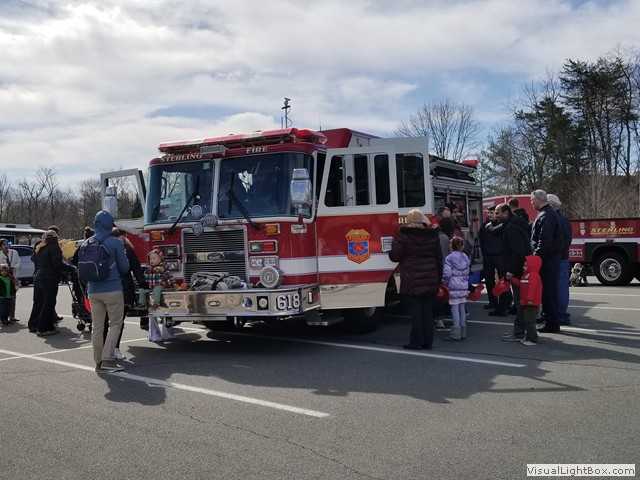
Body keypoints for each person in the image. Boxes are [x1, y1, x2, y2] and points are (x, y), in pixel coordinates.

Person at [389, 209, 443, 350]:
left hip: (411, 279)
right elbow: (439, 259)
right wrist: (438, 278)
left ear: (409, 220)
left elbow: (394, 256)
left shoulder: (405, 236)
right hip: (430, 278)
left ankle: (416, 342)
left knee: (416, 312)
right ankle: (428, 341)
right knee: (427, 311)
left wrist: (391, 246)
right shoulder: (433, 236)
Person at [84, 211, 129, 372]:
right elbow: (125, 267)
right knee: (115, 324)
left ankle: (98, 361)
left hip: (93, 289)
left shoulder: (86, 242)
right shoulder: (115, 242)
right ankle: (108, 359)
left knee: (97, 327)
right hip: (112, 289)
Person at [490, 204, 534, 342]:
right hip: (521, 268)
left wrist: (511, 270)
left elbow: (517, 252)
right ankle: (522, 331)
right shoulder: (514, 223)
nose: (495, 216)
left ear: (506, 213)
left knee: (519, 301)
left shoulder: (511, 227)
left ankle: (519, 332)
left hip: (518, 270)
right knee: (521, 301)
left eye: (497, 213)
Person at [28, 230, 76, 336]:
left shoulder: (39, 248)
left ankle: (33, 325)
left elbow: (34, 260)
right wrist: (71, 268)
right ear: (55, 238)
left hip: (38, 277)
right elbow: (57, 264)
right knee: (48, 303)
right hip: (49, 278)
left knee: (38, 302)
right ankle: (43, 328)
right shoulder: (54, 248)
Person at [111, 227, 148, 359]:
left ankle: (107, 350)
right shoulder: (127, 249)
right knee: (118, 321)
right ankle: (114, 348)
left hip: (105, 288)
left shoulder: (104, 248)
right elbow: (136, 268)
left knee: (105, 322)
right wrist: (142, 283)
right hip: (124, 288)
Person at [530, 189, 563, 333]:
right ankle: (551, 320)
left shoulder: (546, 215)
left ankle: (552, 322)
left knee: (548, 292)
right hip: (549, 259)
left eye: (532, 200)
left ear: (538, 199)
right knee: (548, 291)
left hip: (547, 261)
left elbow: (544, 240)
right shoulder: (546, 213)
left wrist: (536, 257)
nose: (531, 203)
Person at [547, 194, 572, 326]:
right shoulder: (561, 219)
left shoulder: (557, 219)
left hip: (559, 258)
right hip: (560, 257)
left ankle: (561, 314)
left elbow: (564, 240)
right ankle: (558, 313)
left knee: (559, 287)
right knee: (558, 287)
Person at [508, 255, 543, 346]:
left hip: (531, 303)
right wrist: (513, 280)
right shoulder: (526, 275)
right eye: (524, 265)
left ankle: (533, 339)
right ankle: (528, 338)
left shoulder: (533, 275)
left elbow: (532, 288)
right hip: (526, 302)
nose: (523, 267)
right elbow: (521, 284)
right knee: (527, 321)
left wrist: (530, 299)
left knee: (529, 321)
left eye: (526, 266)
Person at [442, 237, 470, 341]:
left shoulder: (449, 258)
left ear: (451, 246)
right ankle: (463, 332)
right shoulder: (465, 257)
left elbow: (447, 274)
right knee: (462, 308)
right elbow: (467, 272)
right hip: (463, 285)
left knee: (454, 309)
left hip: (453, 285)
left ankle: (455, 333)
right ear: (462, 246)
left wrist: (445, 282)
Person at [478, 206, 502, 311]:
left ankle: (504, 302)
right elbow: (481, 239)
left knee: (502, 279)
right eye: (488, 212)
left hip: (499, 255)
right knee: (489, 280)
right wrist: (484, 252)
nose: (489, 214)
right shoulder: (484, 226)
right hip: (488, 255)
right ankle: (492, 301)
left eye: (491, 212)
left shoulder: (501, 225)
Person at [0, 238, 21, 322]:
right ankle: (3, 317)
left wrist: (14, 267)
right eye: (4, 245)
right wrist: (4, 267)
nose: (6, 246)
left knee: (13, 296)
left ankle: (12, 316)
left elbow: (19, 262)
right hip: (3, 279)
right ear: (1, 247)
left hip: (13, 277)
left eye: (7, 244)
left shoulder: (14, 252)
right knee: (3, 298)